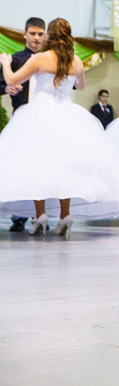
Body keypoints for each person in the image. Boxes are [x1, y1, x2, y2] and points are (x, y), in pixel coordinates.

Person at [0, 18, 119, 234]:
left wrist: (6, 63)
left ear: (49, 36)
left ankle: (40, 215)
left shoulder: (40, 58)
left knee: (36, 162)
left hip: (39, 114)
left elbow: (13, 80)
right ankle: (65, 216)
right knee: (66, 167)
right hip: (67, 113)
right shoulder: (76, 61)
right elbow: (81, 86)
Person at [0, 17, 46, 232]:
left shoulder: (50, 60)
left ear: (45, 35)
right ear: (24, 34)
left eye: (40, 34)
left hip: (46, 120)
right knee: (20, 166)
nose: (36, 38)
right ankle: (19, 214)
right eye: (33, 33)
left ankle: (43, 212)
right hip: (22, 119)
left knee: (43, 166)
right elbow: (1, 82)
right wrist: (6, 88)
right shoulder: (15, 59)